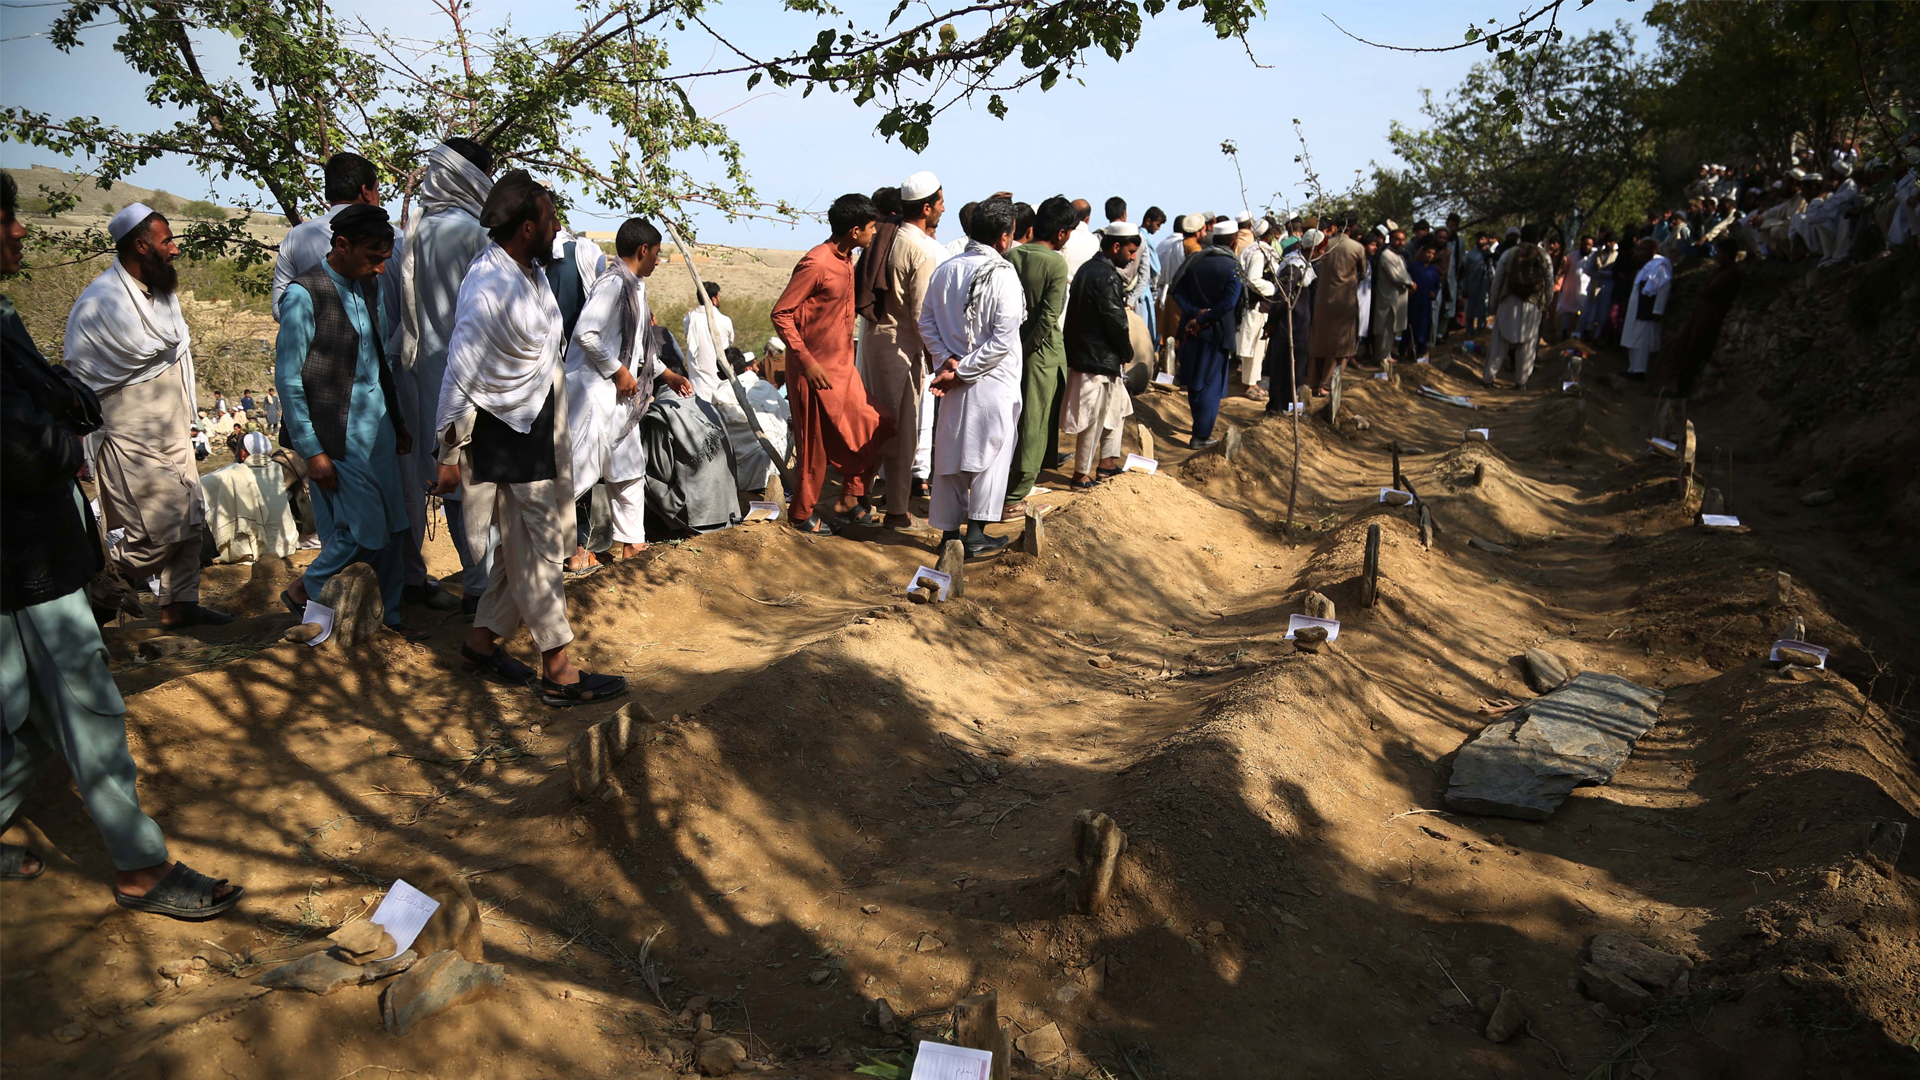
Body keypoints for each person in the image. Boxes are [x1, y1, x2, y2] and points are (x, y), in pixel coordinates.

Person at [1, 171, 244, 919]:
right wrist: (61, 419)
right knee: (89, 708)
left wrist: (59, 406)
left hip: (29, 552)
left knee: (26, 719)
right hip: (28, 557)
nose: (17, 231)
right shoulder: (92, 304)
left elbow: (60, 395)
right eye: (6, 219)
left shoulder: (5, 316)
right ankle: (142, 868)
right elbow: (30, 439)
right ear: (140, 244)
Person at [431, 171, 627, 708]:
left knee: (518, 552)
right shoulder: (488, 285)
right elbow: (460, 370)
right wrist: (447, 450)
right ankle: (557, 670)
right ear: (525, 227)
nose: (557, 225)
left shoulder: (528, 271)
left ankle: (480, 644)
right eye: (550, 217)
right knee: (538, 552)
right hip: (505, 434)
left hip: (537, 427)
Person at [63, 203, 232, 630]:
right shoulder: (98, 302)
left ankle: (179, 605)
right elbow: (81, 378)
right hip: (127, 431)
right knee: (164, 525)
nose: (175, 250)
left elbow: (173, 354)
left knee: (192, 518)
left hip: (173, 424)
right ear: (140, 246)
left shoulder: (162, 297)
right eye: (166, 241)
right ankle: (106, 582)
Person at [272, 204, 427, 641]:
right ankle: (310, 595)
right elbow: (288, 379)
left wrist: (396, 423)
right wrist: (312, 450)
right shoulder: (304, 294)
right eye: (373, 258)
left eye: (385, 259)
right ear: (342, 245)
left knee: (396, 529)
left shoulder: (367, 287)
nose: (381, 269)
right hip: (336, 436)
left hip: (376, 430)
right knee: (363, 531)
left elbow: (377, 360)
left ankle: (388, 620)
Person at [395, 138, 497, 618]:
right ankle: (485, 589)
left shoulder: (414, 230)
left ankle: (477, 585)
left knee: (452, 486)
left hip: (424, 379)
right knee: (480, 487)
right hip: (471, 378)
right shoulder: (475, 232)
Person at [563, 215, 693, 569]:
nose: (657, 260)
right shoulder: (612, 284)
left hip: (620, 398)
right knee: (579, 474)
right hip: (592, 396)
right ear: (643, 250)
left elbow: (637, 347)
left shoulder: (635, 286)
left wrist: (666, 374)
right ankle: (549, 548)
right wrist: (617, 371)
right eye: (656, 253)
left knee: (629, 469)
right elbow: (586, 334)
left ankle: (634, 544)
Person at [770, 193, 894, 534]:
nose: (874, 234)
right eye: (871, 228)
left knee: (876, 424)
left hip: (843, 368)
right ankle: (800, 514)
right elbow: (781, 313)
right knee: (814, 444)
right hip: (813, 370)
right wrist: (807, 362)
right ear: (855, 230)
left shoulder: (847, 259)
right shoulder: (816, 263)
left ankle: (850, 497)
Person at [920, 198, 1025, 557]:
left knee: (951, 452)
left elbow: (927, 323)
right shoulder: (1004, 274)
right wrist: (960, 370)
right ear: (1004, 238)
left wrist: (946, 362)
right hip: (991, 380)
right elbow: (1001, 340)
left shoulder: (946, 270)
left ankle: (950, 533)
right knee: (991, 452)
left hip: (953, 380)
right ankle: (975, 534)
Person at [859, 170, 947, 530]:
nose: (944, 208)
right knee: (899, 431)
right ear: (926, 208)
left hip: (875, 340)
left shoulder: (884, 235)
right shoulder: (922, 249)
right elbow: (921, 313)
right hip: (901, 348)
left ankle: (860, 498)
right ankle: (894, 510)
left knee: (871, 424)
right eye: (940, 202)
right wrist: (938, 357)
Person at [1004, 196, 1073, 511]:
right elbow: (1049, 315)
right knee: (1035, 421)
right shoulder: (1056, 262)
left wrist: (1014, 347)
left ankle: (1003, 485)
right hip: (1040, 353)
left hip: (1008, 348)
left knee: (1011, 420)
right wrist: (1028, 348)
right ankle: (1016, 495)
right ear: (1061, 233)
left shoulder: (1011, 254)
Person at [1061, 223, 1139, 490]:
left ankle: (1106, 463)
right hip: (1096, 359)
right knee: (1093, 418)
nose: (1132, 258)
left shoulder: (1090, 270)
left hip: (1095, 356)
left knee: (1117, 409)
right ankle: (1080, 474)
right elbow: (1115, 320)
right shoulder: (1104, 275)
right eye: (1130, 251)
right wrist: (1126, 350)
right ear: (1116, 246)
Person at [1170, 220, 1243, 445]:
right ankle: (1201, 435)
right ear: (1234, 241)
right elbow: (1230, 302)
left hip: (1191, 329)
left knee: (1195, 380)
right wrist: (1204, 318)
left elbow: (1176, 292)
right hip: (1217, 333)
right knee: (1210, 383)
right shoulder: (1233, 266)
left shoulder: (1194, 261)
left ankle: (1199, 429)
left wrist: (1196, 314)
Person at [1661, 240, 1743, 398]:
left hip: (1710, 317)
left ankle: (1682, 388)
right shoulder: (1722, 271)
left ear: (1727, 254)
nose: (1717, 256)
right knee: (1687, 348)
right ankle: (1678, 385)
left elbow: (1708, 290)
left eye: (1720, 253)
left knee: (1694, 350)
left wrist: (1704, 290)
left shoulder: (1731, 273)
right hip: (1703, 314)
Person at [710, 346, 790, 494]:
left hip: (750, 468)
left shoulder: (720, 395)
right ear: (746, 367)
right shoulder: (765, 386)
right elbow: (786, 415)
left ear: (720, 375)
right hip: (781, 455)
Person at [1484, 223, 1554, 390]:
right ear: (1537, 239)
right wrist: (1546, 306)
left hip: (1508, 301)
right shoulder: (1544, 256)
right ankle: (1521, 382)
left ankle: (1488, 379)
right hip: (1533, 304)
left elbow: (1497, 280)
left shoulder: (1509, 253)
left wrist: (1493, 303)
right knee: (1527, 344)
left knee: (1499, 342)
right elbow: (1549, 283)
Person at [1307, 217, 1364, 394]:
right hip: (1344, 302)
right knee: (1339, 345)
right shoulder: (1357, 247)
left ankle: (1313, 383)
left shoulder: (1325, 244)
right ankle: (1326, 385)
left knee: (1319, 342)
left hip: (1322, 300)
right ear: (1353, 227)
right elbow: (1363, 271)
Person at [1232, 219, 1277, 401]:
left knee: (1255, 346)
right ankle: (1248, 385)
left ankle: (1250, 382)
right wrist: (1274, 289)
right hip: (1256, 305)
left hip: (1255, 305)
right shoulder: (1259, 253)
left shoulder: (1252, 249)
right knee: (1254, 346)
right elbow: (1254, 280)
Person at [1619, 237, 1671, 382]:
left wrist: (1658, 310)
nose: (1641, 253)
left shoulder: (1660, 265)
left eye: (1644, 250)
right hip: (1636, 308)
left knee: (1641, 341)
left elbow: (1664, 287)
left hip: (1646, 309)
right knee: (1632, 338)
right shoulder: (1646, 266)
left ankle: (1639, 371)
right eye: (1640, 250)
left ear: (1653, 250)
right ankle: (1632, 368)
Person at [681, 280, 736, 401]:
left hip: (698, 383)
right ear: (714, 299)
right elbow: (731, 341)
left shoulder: (689, 320)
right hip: (721, 384)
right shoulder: (724, 320)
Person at [1367, 228, 1412, 374]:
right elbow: (1396, 277)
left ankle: (1387, 355)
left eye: (1402, 239)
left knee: (1392, 329)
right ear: (1391, 240)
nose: (1400, 242)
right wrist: (1411, 283)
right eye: (1397, 239)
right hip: (1387, 298)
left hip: (1397, 298)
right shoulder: (1387, 255)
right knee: (1384, 328)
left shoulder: (1399, 256)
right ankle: (1381, 357)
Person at [1406, 240, 1441, 364]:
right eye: (1428, 253)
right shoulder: (1414, 267)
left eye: (1432, 253)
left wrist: (1434, 293)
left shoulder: (1434, 270)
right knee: (1411, 325)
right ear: (1423, 253)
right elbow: (1407, 280)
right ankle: (1407, 350)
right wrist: (1410, 289)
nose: (1430, 255)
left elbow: (1437, 285)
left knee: (1424, 326)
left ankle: (1421, 350)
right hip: (1414, 301)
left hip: (1426, 303)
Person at [1059, 198, 1099, 294]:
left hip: (1062, 289)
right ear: (1087, 219)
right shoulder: (1095, 240)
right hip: (1084, 292)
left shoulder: (1063, 236)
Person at [1460, 233, 1493, 334]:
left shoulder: (1490, 254)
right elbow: (1463, 271)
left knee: (1484, 306)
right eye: (1479, 239)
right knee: (1470, 308)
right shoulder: (1470, 255)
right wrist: (1464, 287)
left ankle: (1481, 328)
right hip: (1472, 285)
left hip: (1485, 285)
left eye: (1483, 239)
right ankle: (1469, 330)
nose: (1480, 241)